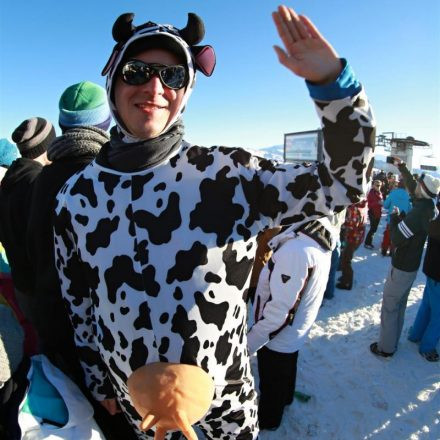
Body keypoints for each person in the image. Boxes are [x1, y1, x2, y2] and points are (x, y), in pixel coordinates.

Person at [53, 6, 375, 439]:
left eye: (172, 77)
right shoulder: (76, 198)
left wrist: (333, 87)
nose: (154, 87)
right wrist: (96, 377)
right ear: (113, 81)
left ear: (186, 90)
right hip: (137, 404)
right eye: (137, 71)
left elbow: (345, 184)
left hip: (227, 402)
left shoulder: (228, 175)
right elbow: (80, 302)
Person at [247, 218, 333, 430]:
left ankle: (269, 420)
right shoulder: (315, 239)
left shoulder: (296, 252)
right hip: (294, 332)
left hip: (278, 336)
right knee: (287, 367)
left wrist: (250, 342)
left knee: (272, 379)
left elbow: (279, 313)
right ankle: (285, 398)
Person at [370, 166, 440, 358]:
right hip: (411, 265)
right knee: (399, 305)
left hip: (402, 266)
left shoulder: (419, 212)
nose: (414, 186)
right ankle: (392, 341)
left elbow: (397, 238)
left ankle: (385, 348)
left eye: (418, 185)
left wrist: (394, 219)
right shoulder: (427, 206)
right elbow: (412, 191)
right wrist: (402, 167)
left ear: (423, 190)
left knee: (390, 306)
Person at [0, 118, 55, 346]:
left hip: (20, 282)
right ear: (46, 147)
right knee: (46, 345)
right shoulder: (37, 184)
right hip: (39, 286)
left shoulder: (10, 180)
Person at [408, 212, 440, 362]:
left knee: (427, 305)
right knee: (438, 315)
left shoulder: (436, 219)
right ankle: (427, 347)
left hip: (431, 271)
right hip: (438, 276)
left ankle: (415, 334)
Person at [336, 200, 368, 290]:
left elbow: (351, 224)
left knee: (346, 259)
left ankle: (347, 282)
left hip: (352, 237)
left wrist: (341, 224)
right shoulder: (364, 205)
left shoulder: (354, 208)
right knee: (345, 257)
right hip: (358, 237)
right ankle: (345, 276)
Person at [381, 179, 411, 256]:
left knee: (387, 234)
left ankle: (384, 250)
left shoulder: (393, 193)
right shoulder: (408, 196)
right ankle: (392, 251)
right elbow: (410, 209)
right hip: (402, 219)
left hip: (391, 218)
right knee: (397, 236)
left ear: (398, 185)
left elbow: (385, 205)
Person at [364, 179, 383, 249]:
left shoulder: (379, 192)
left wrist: (381, 203)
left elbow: (380, 201)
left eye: (380, 185)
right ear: (373, 185)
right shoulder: (371, 193)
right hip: (372, 212)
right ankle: (367, 243)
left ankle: (369, 242)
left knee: (374, 229)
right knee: (373, 229)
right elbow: (369, 204)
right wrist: (377, 203)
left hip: (378, 212)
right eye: (377, 185)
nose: (379, 186)